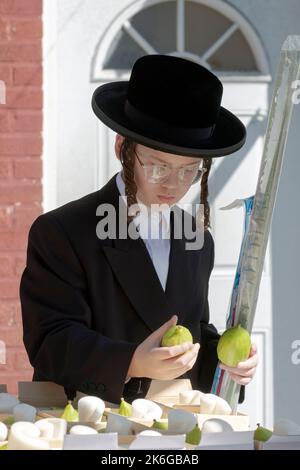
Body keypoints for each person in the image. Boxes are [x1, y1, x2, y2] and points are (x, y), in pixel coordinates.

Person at [20, 54, 258, 404]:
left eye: (190, 170)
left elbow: (190, 333)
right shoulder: (62, 231)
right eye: (159, 166)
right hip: (81, 425)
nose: (174, 185)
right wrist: (131, 362)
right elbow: (50, 342)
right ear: (122, 148)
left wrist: (226, 362)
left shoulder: (196, 239)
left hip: (169, 427)